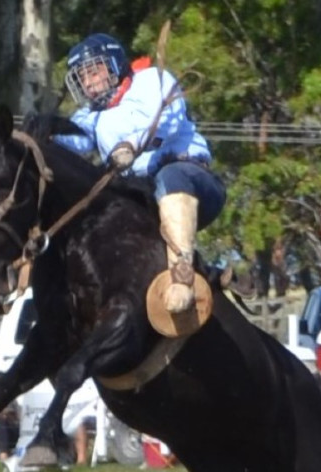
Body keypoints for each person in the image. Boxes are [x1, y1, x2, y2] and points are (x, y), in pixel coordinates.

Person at [57, 32, 226, 333]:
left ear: (115, 65)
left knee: (167, 176)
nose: (89, 81)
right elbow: (67, 141)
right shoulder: (90, 117)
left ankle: (182, 276)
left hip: (189, 179)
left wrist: (130, 145)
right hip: (140, 196)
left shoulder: (152, 80)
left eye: (94, 71)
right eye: (82, 76)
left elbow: (163, 118)